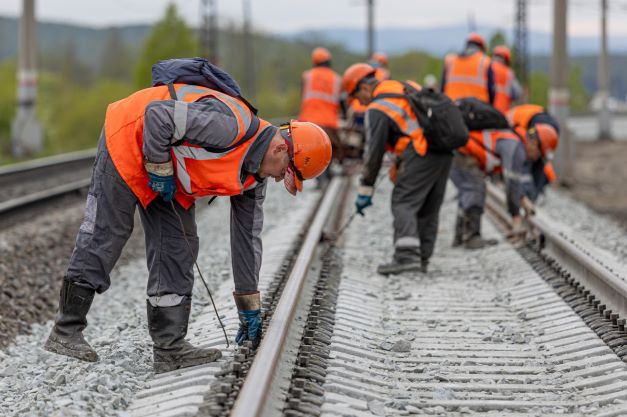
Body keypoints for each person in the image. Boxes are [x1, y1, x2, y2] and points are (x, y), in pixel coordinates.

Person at [44, 81, 332, 373]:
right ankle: (66, 331)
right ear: (281, 149)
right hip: (129, 141)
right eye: (285, 172)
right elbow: (158, 116)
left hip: (168, 170)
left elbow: (246, 239)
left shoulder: (253, 181)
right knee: (108, 232)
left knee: (178, 247)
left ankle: (170, 348)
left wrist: (249, 308)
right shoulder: (231, 126)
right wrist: (158, 168)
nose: (278, 178)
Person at [341, 63, 453, 275]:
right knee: (430, 205)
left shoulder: (377, 107)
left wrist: (366, 188)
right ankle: (422, 258)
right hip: (443, 150)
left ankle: (406, 256)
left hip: (420, 150)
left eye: (357, 97)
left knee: (404, 201)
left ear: (364, 88)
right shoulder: (406, 86)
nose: (360, 102)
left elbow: (374, 152)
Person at [299, 47, 342, 184]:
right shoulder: (336, 78)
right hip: (329, 120)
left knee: (312, 149)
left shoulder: (307, 76)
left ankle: (319, 176)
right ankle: (327, 171)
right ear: (329, 61)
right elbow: (341, 100)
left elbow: (303, 96)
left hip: (308, 120)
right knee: (329, 147)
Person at [508, 104, 560, 199]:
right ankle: (530, 194)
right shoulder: (522, 130)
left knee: (535, 164)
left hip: (535, 124)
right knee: (531, 161)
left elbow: (532, 135)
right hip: (544, 125)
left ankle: (532, 194)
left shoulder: (548, 132)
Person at [441, 32, 495, 104]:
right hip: (478, 109)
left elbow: (442, 88)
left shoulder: (450, 60)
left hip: (451, 107)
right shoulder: (485, 62)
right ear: (482, 47)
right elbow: (491, 91)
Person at [491, 45, 522, 115]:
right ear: (507, 60)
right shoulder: (508, 73)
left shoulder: (486, 68)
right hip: (502, 114)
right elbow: (517, 93)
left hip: (485, 112)